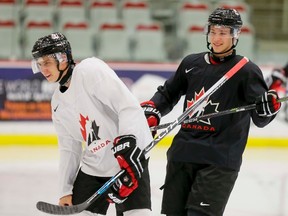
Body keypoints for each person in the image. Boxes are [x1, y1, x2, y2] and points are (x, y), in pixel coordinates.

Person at [140, 8, 282, 216]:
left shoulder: (246, 71)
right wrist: (153, 110)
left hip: (219, 161)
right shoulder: (191, 63)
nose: (216, 38)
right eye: (213, 31)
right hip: (182, 155)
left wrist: (269, 108)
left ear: (235, 35)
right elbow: (168, 95)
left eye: (223, 33)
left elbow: (260, 118)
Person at [31, 32, 153, 216]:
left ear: (63, 58)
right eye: (39, 64)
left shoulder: (90, 70)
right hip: (94, 166)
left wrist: (130, 144)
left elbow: (127, 105)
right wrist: (65, 190)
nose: (43, 69)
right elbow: (69, 147)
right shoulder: (57, 102)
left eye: (47, 62)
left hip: (128, 160)